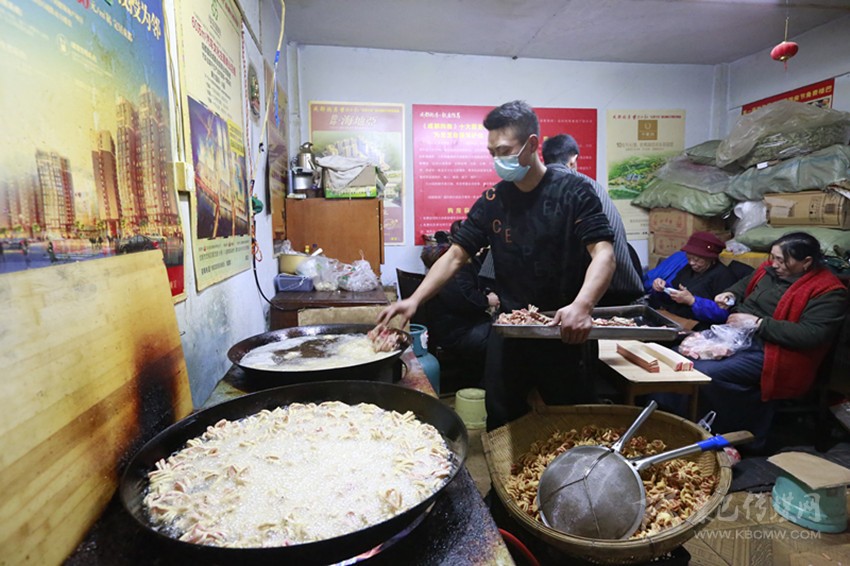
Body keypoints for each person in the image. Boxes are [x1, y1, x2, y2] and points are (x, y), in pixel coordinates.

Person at [378, 100, 616, 429]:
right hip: (511, 329)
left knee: (570, 424)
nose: (498, 161)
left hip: (566, 329)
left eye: (504, 151)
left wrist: (583, 305)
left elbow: (603, 253)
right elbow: (456, 255)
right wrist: (415, 300)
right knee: (502, 420)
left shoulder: (574, 192)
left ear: (532, 144)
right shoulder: (494, 200)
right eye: (492, 153)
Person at [660, 232, 847, 449]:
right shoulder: (768, 270)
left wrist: (758, 323)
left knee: (705, 373)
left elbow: (811, 334)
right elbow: (742, 286)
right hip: (738, 337)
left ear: (806, 262)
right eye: (773, 257)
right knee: (677, 357)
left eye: (782, 260)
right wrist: (730, 295)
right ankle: (671, 424)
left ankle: (728, 437)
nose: (774, 264)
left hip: (775, 350)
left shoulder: (828, 291)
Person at [542, 134, 643, 306]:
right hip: (606, 292)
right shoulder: (589, 186)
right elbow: (615, 250)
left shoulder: (533, 189)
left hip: (551, 295)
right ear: (573, 160)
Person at [420, 221, 499, 384]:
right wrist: (487, 300)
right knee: (503, 339)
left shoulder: (461, 259)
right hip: (457, 331)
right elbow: (464, 298)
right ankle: (488, 387)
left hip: (456, 325)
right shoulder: (456, 264)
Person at [647, 231, 737, 329]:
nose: (691, 263)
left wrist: (692, 301)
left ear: (711, 259)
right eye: (688, 258)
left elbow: (723, 314)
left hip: (698, 325)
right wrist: (662, 288)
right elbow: (671, 294)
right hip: (673, 317)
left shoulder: (723, 276)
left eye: (697, 260)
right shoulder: (688, 269)